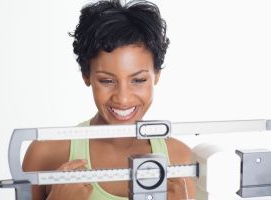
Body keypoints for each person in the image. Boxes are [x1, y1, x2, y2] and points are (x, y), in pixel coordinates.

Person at [22, 0, 195, 199]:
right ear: (86, 75)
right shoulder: (44, 153)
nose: (122, 98)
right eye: (107, 80)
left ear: (156, 74)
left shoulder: (182, 159)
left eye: (138, 80)